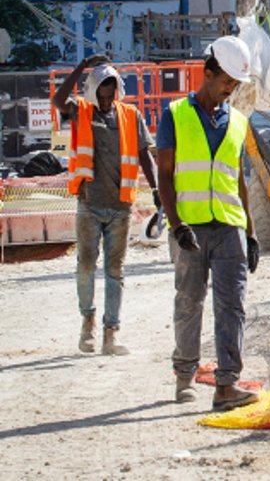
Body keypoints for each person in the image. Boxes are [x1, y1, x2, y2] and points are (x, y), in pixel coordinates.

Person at [157, 36, 260, 412]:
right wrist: (176, 224)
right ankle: (185, 377)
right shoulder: (175, 115)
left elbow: (238, 180)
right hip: (191, 227)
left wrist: (250, 232)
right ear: (208, 73)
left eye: (235, 85)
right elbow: (164, 176)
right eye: (226, 83)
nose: (230, 91)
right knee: (189, 302)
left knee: (233, 306)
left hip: (229, 226)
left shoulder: (238, 123)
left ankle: (226, 385)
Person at [53, 54, 157, 356]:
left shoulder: (129, 115)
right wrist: (82, 65)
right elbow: (60, 100)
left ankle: (112, 332)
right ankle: (88, 322)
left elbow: (144, 156)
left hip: (120, 207)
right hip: (89, 204)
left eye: (111, 95)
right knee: (86, 266)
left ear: (118, 92)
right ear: (93, 91)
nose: (107, 100)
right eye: (102, 94)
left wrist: (157, 190)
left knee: (115, 271)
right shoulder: (82, 111)